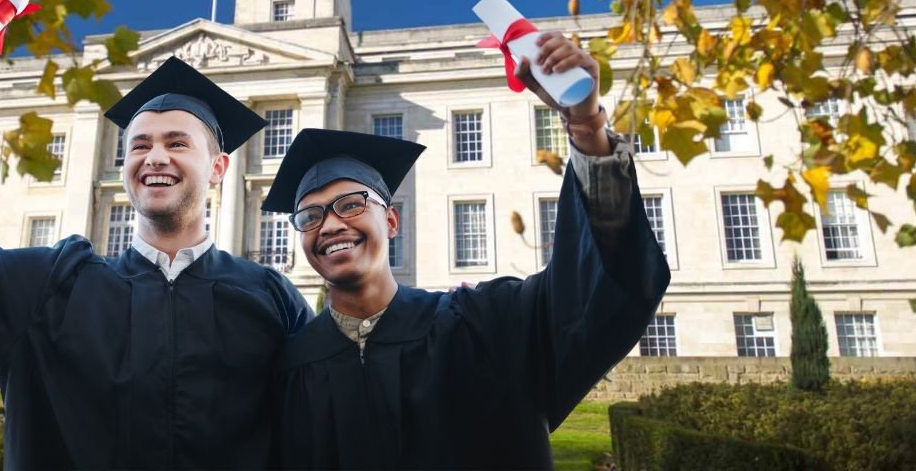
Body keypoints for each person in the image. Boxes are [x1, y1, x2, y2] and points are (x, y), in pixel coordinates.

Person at [0, 19, 311, 469]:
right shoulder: (50, 287)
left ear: (218, 168)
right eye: (139, 146)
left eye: (177, 142)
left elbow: (328, 423)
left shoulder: (272, 299)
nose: (155, 156)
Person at [267, 33, 671, 470]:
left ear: (391, 221)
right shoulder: (292, 365)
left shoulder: (488, 325)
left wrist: (586, 126)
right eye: (310, 216)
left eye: (351, 205)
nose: (330, 225)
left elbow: (600, 288)